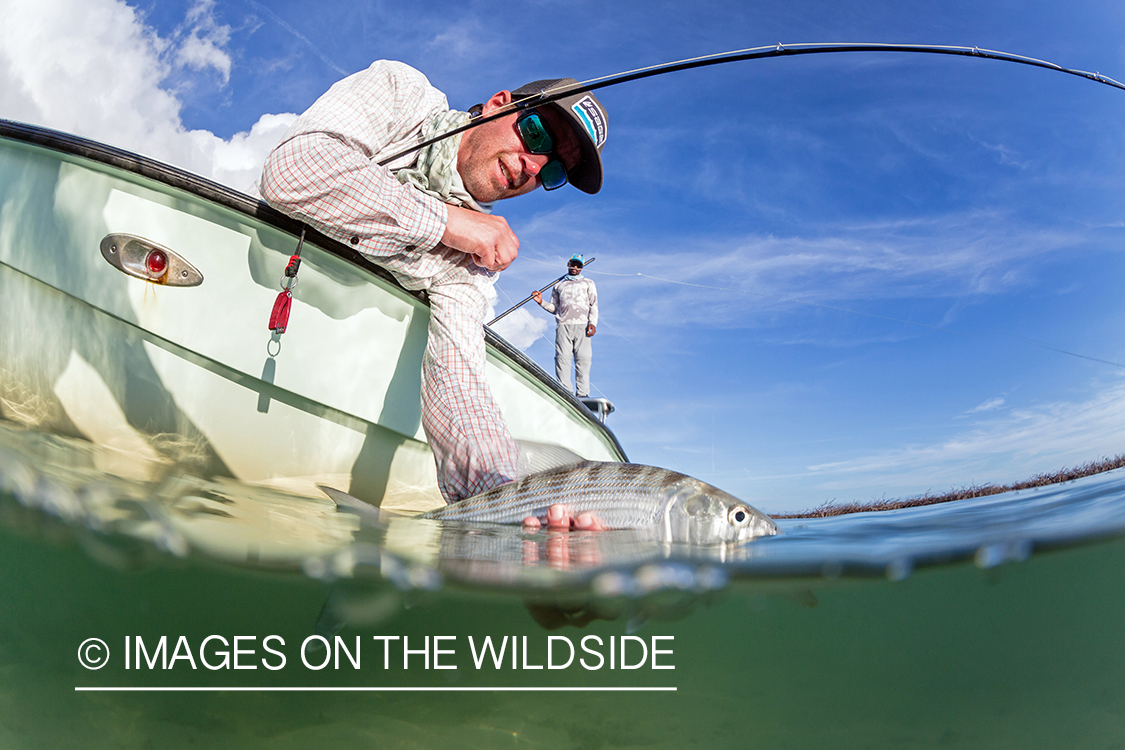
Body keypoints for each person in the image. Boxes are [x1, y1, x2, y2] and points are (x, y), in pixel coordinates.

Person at [258, 60, 609, 510]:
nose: (532, 167)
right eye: (537, 134)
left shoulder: (475, 261)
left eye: (553, 172)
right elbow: (293, 171)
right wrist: (445, 222)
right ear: (499, 106)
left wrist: (503, 504)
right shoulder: (402, 92)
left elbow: (459, 382)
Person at [532, 254, 598, 398]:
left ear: (582, 267)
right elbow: (554, 308)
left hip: (582, 325)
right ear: (568, 264)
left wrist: (592, 322)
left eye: (578, 265)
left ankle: (583, 394)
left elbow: (593, 305)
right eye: (573, 264)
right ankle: (565, 393)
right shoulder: (558, 285)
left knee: (583, 359)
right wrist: (540, 302)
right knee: (562, 359)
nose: (575, 267)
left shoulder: (588, 283)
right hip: (563, 325)